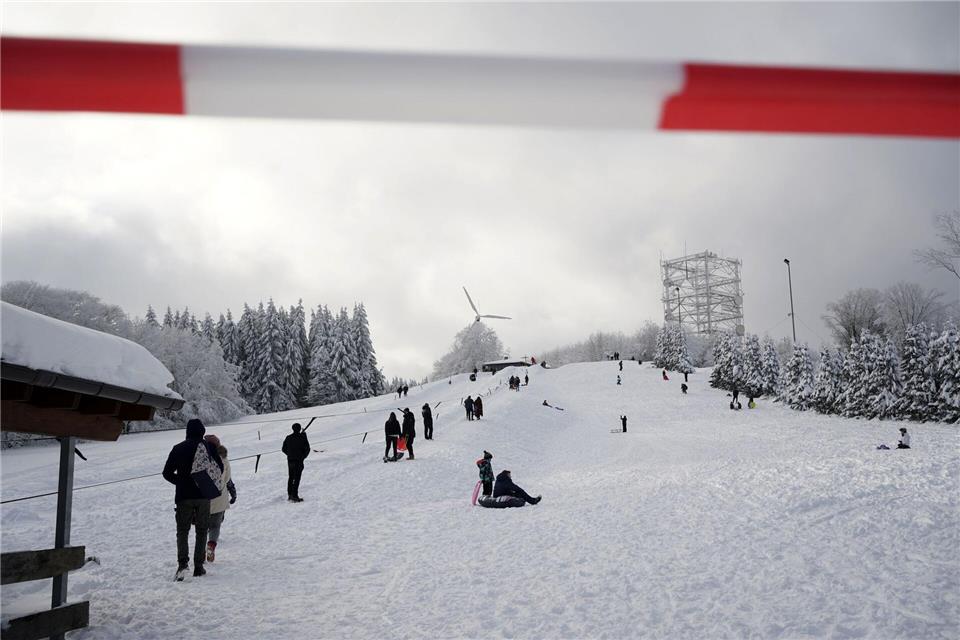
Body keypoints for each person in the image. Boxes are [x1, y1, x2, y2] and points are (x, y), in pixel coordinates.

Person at [163, 418, 224, 580]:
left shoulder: (178, 448)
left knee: (182, 531)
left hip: (183, 496)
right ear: (202, 431)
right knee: (202, 530)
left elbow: (166, 473)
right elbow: (219, 469)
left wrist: (181, 482)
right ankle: (199, 566)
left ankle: (182, 565)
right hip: (203, 496)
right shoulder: (208, 447)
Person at [204, 434, 236, 564]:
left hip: (204, 498)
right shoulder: (224, 459)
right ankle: (211, 545)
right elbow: (228, 479)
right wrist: (233, 492)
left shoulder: (202, 458)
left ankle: (200, 550)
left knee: (202, 526)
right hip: (220, 497)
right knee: (215, 526)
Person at [282, 423, 310, 502]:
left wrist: (290, 454)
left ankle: (290, 495)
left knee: (291, 477)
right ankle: (294, 496)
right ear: (299, 428)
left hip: (290, 460)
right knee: (297, 478)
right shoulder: (302, 437)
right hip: (299, 461)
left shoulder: (288, 437)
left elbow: (283, 449)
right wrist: (303, 457)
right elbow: (307, 448)